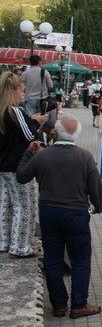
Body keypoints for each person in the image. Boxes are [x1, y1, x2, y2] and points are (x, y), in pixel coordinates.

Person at [16, 114, 102, 318]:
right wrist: (99, 207)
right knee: (80, 259)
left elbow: (21, 176)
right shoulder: (85, 157)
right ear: (76, 135)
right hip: (76, 213)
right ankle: (79, 304)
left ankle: (59, 305)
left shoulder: (42, 156)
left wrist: (28, 153)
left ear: (55, 133)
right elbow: (95, 189)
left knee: (53, 258)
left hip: (49, 212)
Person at [0, 72, 45, 258]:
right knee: (25, 206)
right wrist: (37, 123)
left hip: (3, 166)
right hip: (18, 166)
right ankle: (20, 247)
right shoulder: (14, 111)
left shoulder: (2, 111)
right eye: (22, 91)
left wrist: (30, 119)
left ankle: (4, 241)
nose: (23, 95)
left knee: (5, 204)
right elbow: (29, 135)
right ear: (12, 91)